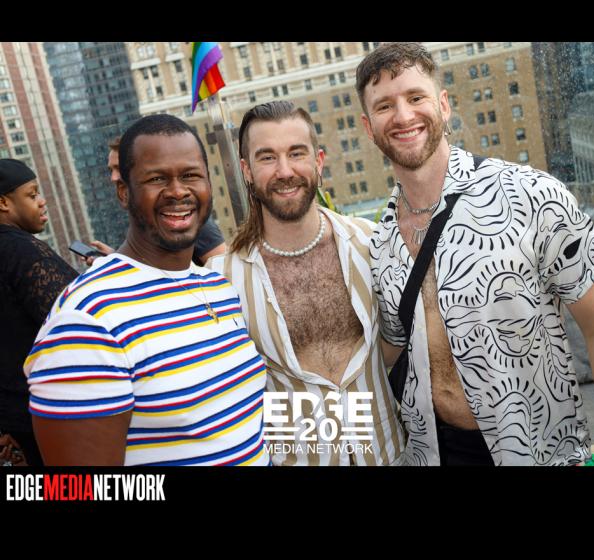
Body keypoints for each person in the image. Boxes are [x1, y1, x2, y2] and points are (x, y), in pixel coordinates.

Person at [356, 42, 594, 466]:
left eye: (415, 97)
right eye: (384, 106)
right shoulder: (380, 243)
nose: (403, 115)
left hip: (538, 451)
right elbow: (391, 351)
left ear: (443, 105)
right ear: (368, 126)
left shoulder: (530, 195)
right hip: (433, 454)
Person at [23, 115, 270, 466]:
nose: (178, 191)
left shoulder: (217, 287)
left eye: (190, 175)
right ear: (124, 193)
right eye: (157, 179)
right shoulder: (87, 319)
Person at [208, 101, 405, 466]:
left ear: (318, 161)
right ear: (247, 171)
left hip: (392, 456)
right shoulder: (222, 280)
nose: (285, 171)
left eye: (296, 153)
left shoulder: (372, 244)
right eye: (267, 158)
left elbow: (400, 342)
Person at [0, 159, 78, 466]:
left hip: (16, 422)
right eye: (32, 195)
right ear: (3, 203)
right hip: (51, 415)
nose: (42, 201)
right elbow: (76, 321)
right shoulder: (21, 250)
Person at [87, 136, 226, 265]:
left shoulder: (185, 217)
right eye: (111, 170)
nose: (113, 177)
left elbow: (225, 270)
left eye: (118, 169)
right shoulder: (144, 219)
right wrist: (115, 258)